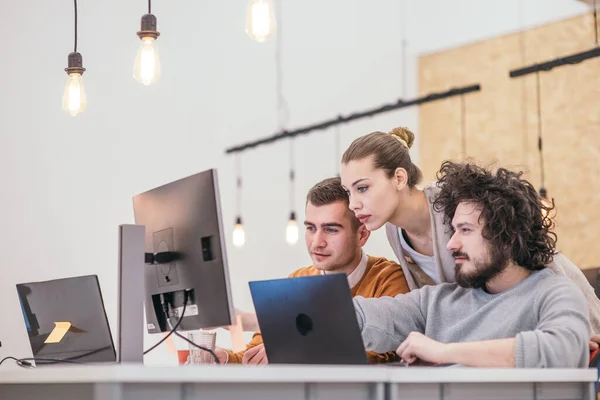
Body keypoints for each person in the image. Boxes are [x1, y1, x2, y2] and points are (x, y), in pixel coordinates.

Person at [340, 127, 600, 341]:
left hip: (557, 317)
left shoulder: (454, 203)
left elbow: (536, 259)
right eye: (348, 192)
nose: (353, 204)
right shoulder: (394, 231)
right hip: (484, 334)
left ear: (399, 178)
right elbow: (429, 305)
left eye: (362, 188)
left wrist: (579, 328)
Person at [353, 161, 590, 368]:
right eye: (454, 230)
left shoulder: (554, 293)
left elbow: (563, 351)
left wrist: (444, 353)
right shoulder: (438, 302)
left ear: (508, 236)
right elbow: (366, 317)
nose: (451, 244)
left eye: (466, 230)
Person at [216, 177, 410, 364]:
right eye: (311, 228)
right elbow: (255, 352)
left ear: (362, 235)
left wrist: (298, 351)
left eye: (331, 229)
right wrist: (221, 358)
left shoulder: (389, 279)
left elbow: (390, 356)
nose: (317, 243)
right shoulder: (298, 280)